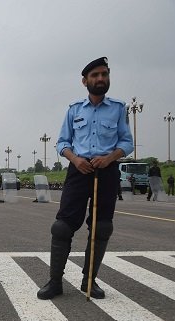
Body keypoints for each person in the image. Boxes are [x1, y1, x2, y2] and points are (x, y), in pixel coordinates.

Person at [37, 57, 134, 301]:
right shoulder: (74, 110)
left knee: (101, 227)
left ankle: (89, 281)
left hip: (106, 171)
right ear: (85, 81)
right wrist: (75, 159)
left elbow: (126, 142)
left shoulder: (119, 108)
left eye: (104, 74)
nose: (100, 79)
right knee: (62, 227)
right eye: (95, 75)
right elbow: (62, 142)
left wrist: (110, 158)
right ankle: (55, 282)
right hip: (78, 171)